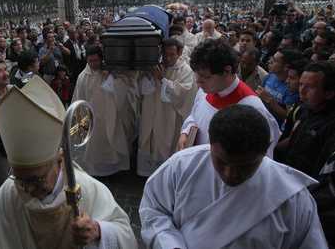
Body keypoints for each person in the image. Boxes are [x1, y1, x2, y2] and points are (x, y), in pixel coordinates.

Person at [0, 75, 138, 249]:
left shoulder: (87, 188)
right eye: (20, 179)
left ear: (60, 160)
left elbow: (125, 235)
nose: (28, 189)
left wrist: (98, 230)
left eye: (35, 179)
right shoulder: (9, 193)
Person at [140, 105, 328, 249]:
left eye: (246, 165)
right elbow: (154, 210)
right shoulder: (182, 166)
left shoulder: (292, 198)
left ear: (265, 151)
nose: (231, 174)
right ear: (210, 144)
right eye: (221, 162)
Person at [178, 39, 280, 157]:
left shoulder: (252, 108)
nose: (198, 82)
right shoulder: (205, 90)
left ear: (227, 70)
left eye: (206, 76)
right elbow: (194, 116)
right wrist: (185, 132)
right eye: (196, 75)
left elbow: (260, 159)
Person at [72, 46, 140, 176]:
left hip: (112, 115)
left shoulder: (110, 73)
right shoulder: (83, 77)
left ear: (101, 59)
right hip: (93, 118)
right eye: (90, 61)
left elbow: (124, 90)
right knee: (96, 149)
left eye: (96, 60)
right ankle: (98, 172)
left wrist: (112, 78)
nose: (93, 64)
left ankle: (115, 171)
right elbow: (79, 98)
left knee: (113, 144)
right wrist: (81, 119)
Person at [137, 39, 197, 177]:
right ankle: (147, 172)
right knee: (150, 140)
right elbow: (143, 89)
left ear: (180, 52)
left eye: (172, 54)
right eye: (165, 55)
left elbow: (184, 93)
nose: (168, 58)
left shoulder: (185, 70)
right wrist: (148, 76)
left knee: (165, 141)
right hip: (151, 110)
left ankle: (165, 174)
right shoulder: (156, 66)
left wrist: (162, 79)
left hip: (169, 115)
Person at [277, 61, 335, 179]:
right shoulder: (304, 108)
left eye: (310, 87)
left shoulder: (331, 126)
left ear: (329, 94)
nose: (302, 91)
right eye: (301, 84)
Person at [256, 49, 302, 124]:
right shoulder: (270, 76)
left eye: (275, 61)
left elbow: (288, 116)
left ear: (285, 67)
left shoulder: (292, 87)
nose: (270, 62)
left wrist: (271, 102)